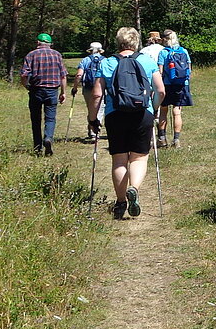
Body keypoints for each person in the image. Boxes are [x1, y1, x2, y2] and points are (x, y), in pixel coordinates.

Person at [92, 27, 165, 220]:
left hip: (116, 114)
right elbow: (161, 90)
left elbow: (98, 93)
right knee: (139, 158)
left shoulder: (107, 63)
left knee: (119, 159)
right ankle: (134, 188)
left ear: (118, 41)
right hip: (142, 114)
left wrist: (93, 118)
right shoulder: (147, 61)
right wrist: (154, 108)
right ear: (136, 42)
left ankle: (121, 202)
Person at [20, 33, 67, 156]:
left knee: (36, 119)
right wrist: (63, 92)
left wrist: (27, 86)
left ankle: (37, 147)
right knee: (50, 118)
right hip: (52, 90)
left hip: (36, 90)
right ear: (50, 44)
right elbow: (63, 75)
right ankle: (48, 138)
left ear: (38, 43)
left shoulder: (31, 55)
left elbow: (24, 75)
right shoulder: (57, 55)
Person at [155, 29, 193, 148]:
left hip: (167, 84)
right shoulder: (184, 51)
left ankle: (162, 139)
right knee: (177, 112)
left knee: (164, 111)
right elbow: (189, 69)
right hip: (181, 84)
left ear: (165, 40)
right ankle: (176, 140)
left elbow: (160, 71)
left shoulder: (163, 53)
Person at [72, 41, 105, 140]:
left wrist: (75, 88)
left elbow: (79, 75)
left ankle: (91, 130)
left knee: (90, 108)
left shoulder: (85, 60)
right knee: (99, 108)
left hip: (88, 88)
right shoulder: (105, 60)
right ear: (100, 51)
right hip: (100, 87)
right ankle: (95, 131)